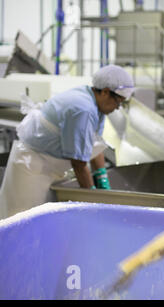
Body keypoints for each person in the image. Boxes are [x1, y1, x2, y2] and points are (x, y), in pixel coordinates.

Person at [0, 64, 134, 219]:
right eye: (118, 102)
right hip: (30, 167)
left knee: (43, 222)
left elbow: (95, 145)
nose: (118, 108)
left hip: (47, 166)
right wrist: (92, 198)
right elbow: (78, 163)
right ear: (105, 92)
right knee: (20, 220)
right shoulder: (83, 109)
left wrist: (102, 179)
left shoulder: (96, 105)